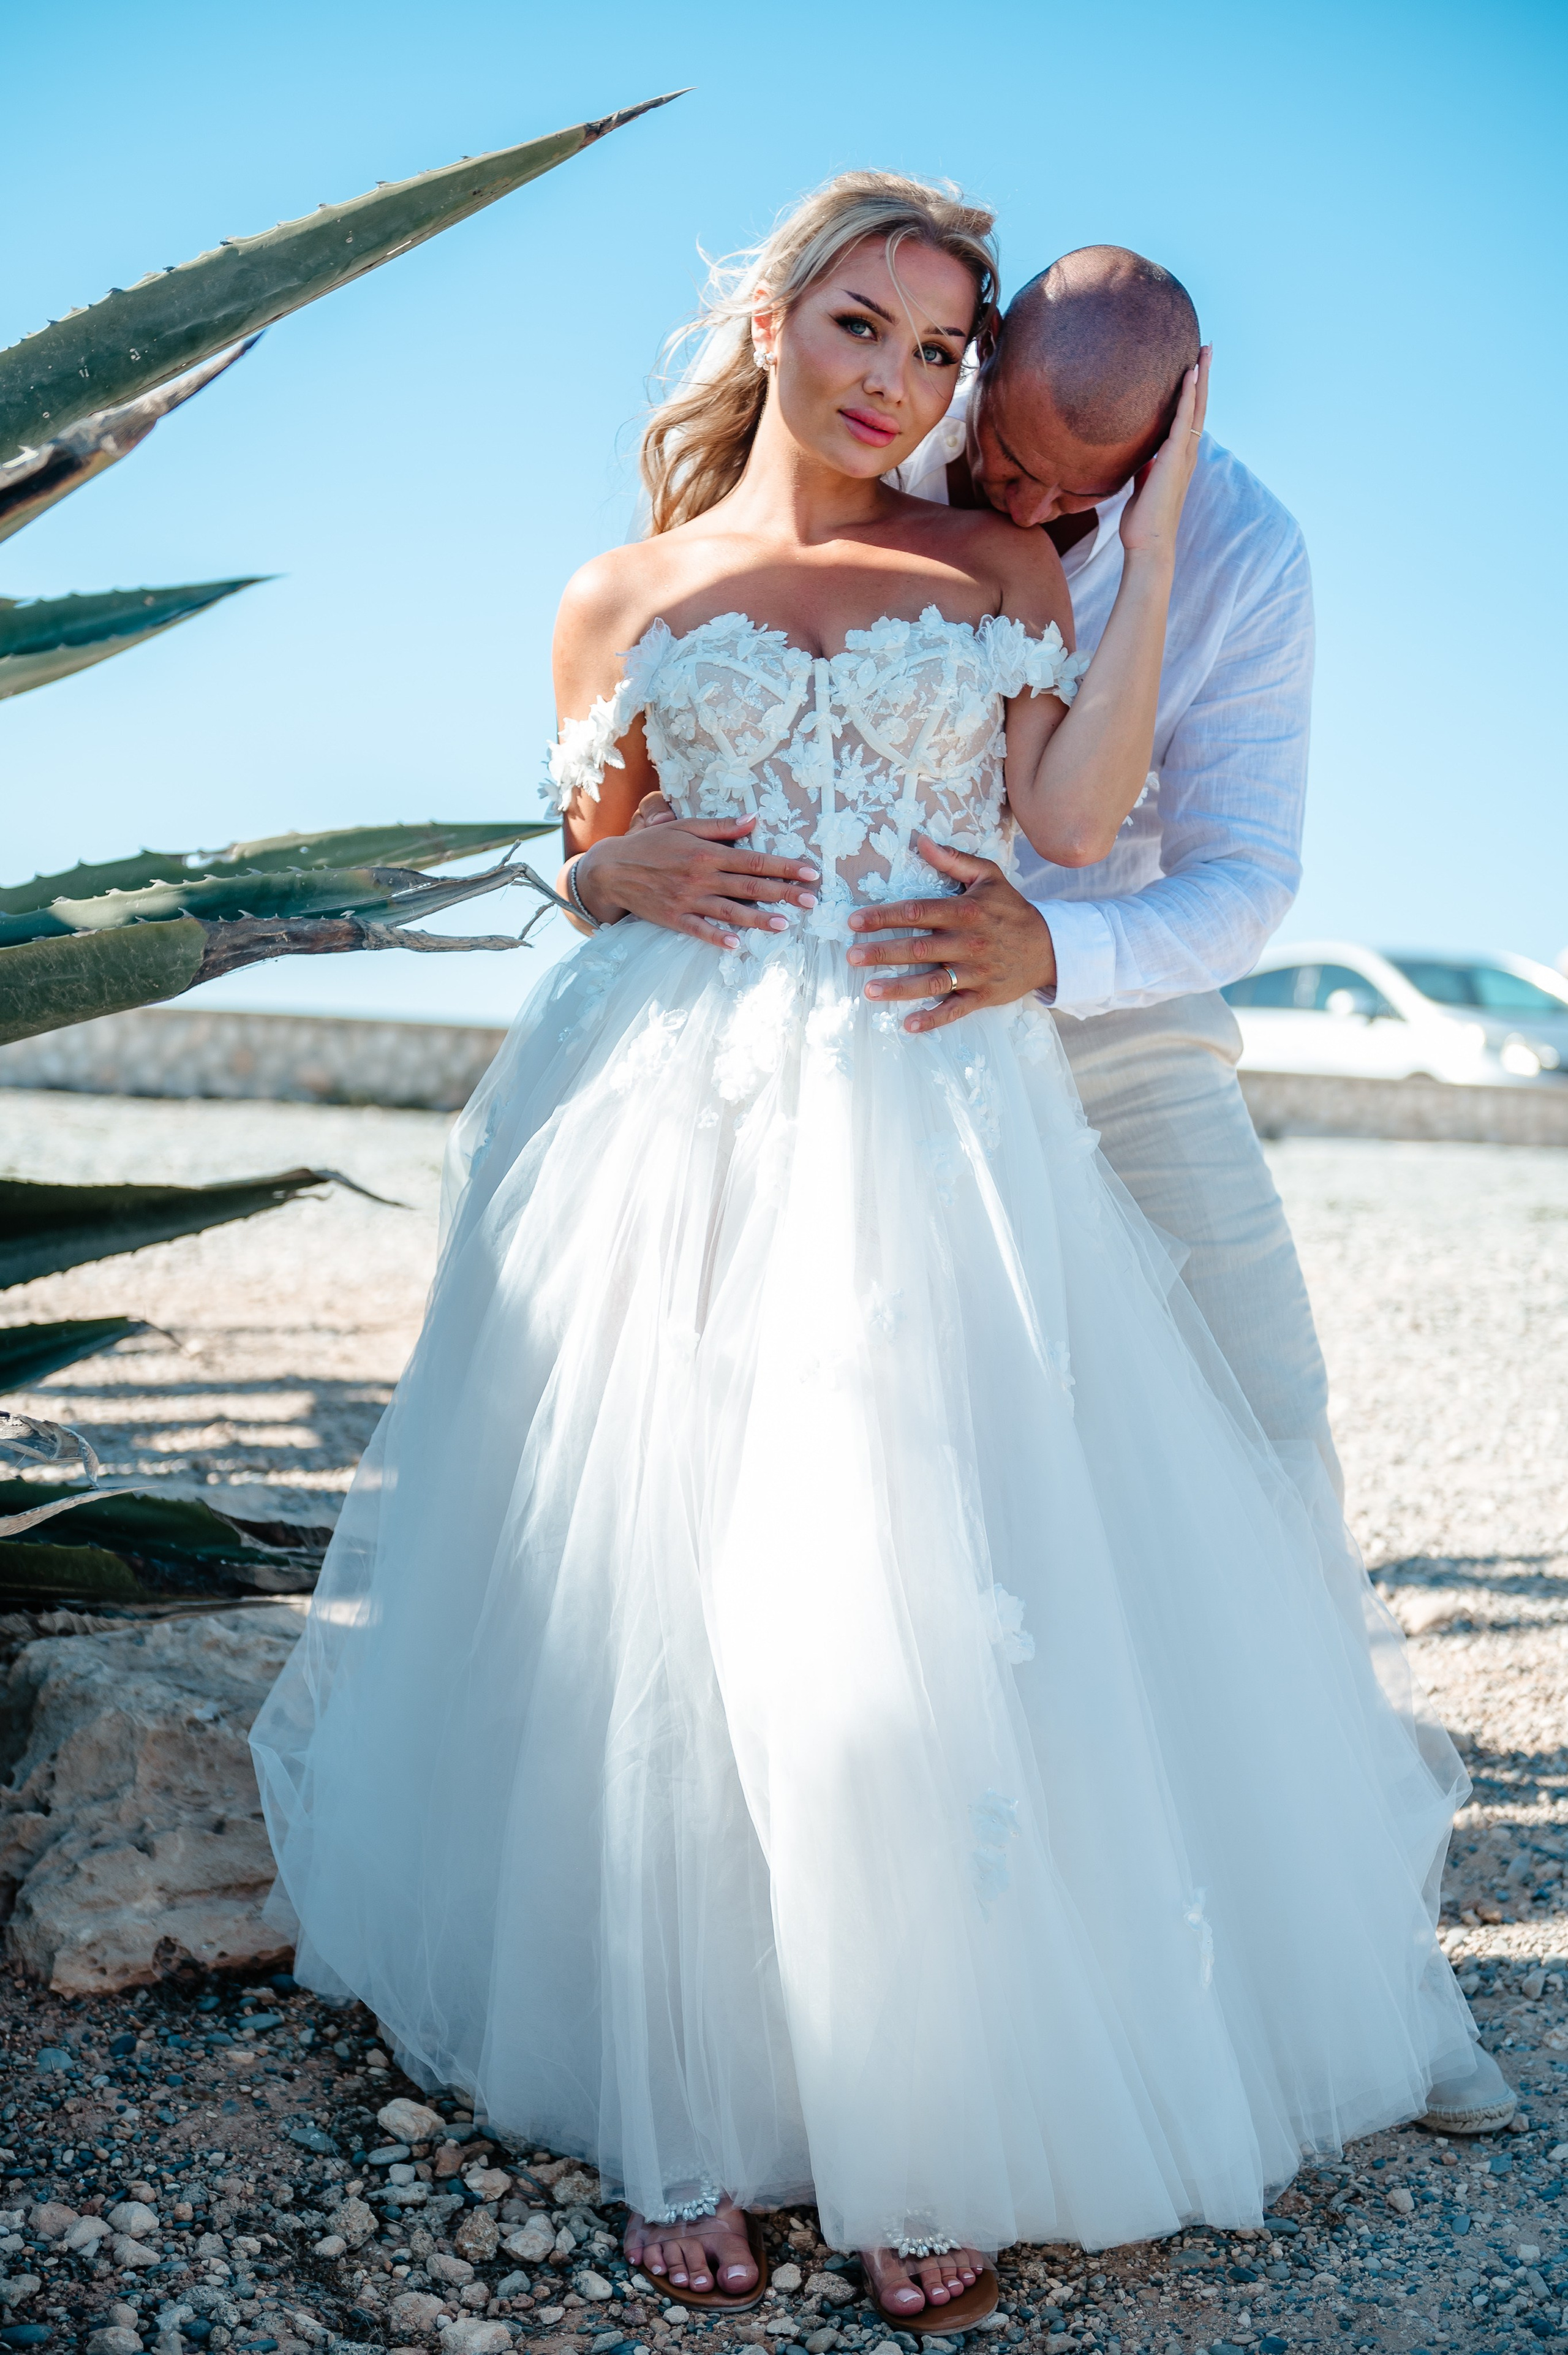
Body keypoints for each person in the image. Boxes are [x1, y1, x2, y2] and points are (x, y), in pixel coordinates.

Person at [252, 172, 1480, 2328]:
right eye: (868, 331)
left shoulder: (1011, 559)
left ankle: (946, 2084)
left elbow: (1095, 835)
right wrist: (610, 879)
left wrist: (1165, 521)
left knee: (937, 1561)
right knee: (670, 1566)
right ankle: (689, 2102)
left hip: (946, 1079)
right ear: (769, 317)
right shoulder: (613, 585)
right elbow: (587, 847)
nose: (902, 384)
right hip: (674, 1109)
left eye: (933, 347)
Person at [570, 240, 1513, 2139]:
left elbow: (1237, 872)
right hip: (845, 1028)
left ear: (1173, 426)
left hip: (1109, 1002)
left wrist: (1056, 958)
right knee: (838, 1482)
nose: (1015, 493)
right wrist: (615, 878)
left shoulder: (1244, 553)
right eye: (998, 440)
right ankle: (797, 1978)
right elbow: (620, 781)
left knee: (1258, 1433)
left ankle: (1351, 1982)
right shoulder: (892, 434)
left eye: (1077, 482)